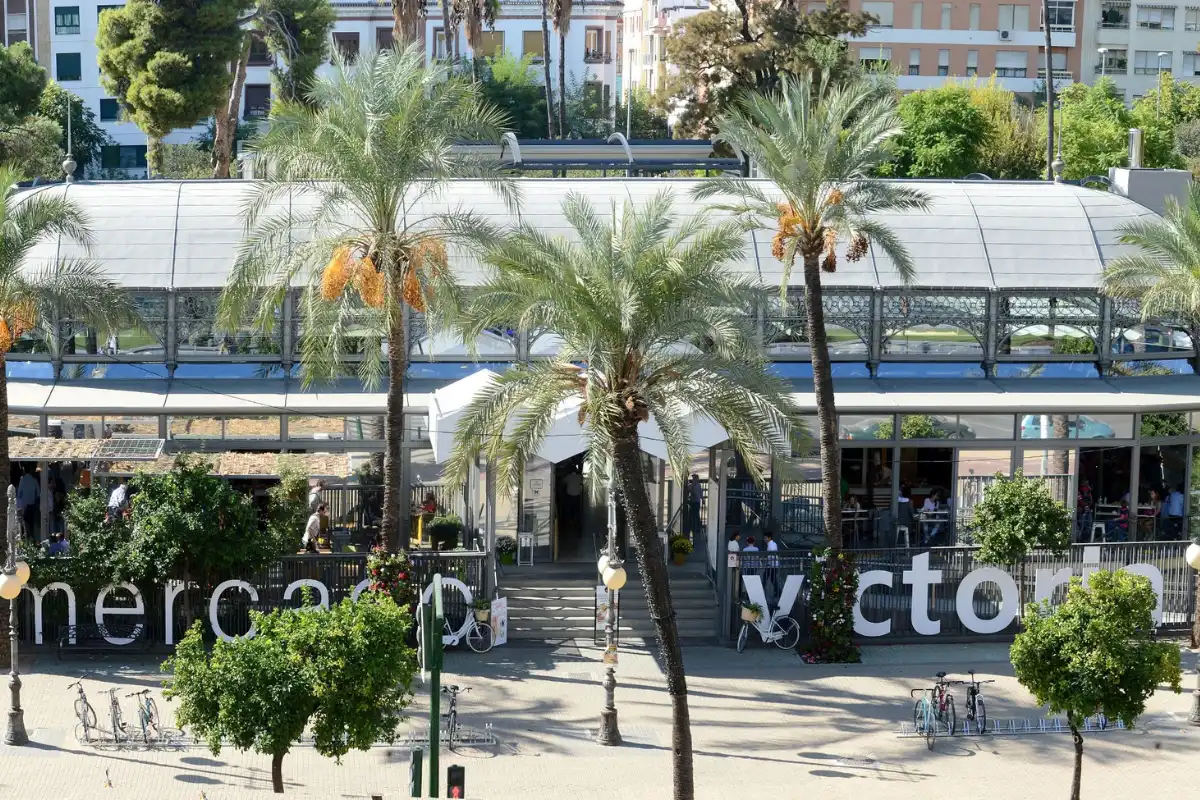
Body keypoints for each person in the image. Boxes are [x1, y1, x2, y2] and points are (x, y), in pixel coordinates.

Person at [16, 466, 39, 539]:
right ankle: (32, 538)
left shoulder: (22, 480)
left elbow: (19, 493)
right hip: (32, 504)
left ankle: (25, 539)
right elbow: (38, 493)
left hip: (24, 505)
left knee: (24, 524)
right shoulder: (34, 480)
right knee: (31, 523)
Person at [687, 474, 704, 538]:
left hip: (696, 502)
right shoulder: (691, 485)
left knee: (696, 514)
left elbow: (700, 493)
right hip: (692, 502)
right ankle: (691, 527)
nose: (694, 479)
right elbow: (689, 490)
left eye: (695, 478)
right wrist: (693, 485)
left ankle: (698, 528)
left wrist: (703, 499)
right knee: (691, 514)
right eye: (693, 478)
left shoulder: (699, 485)